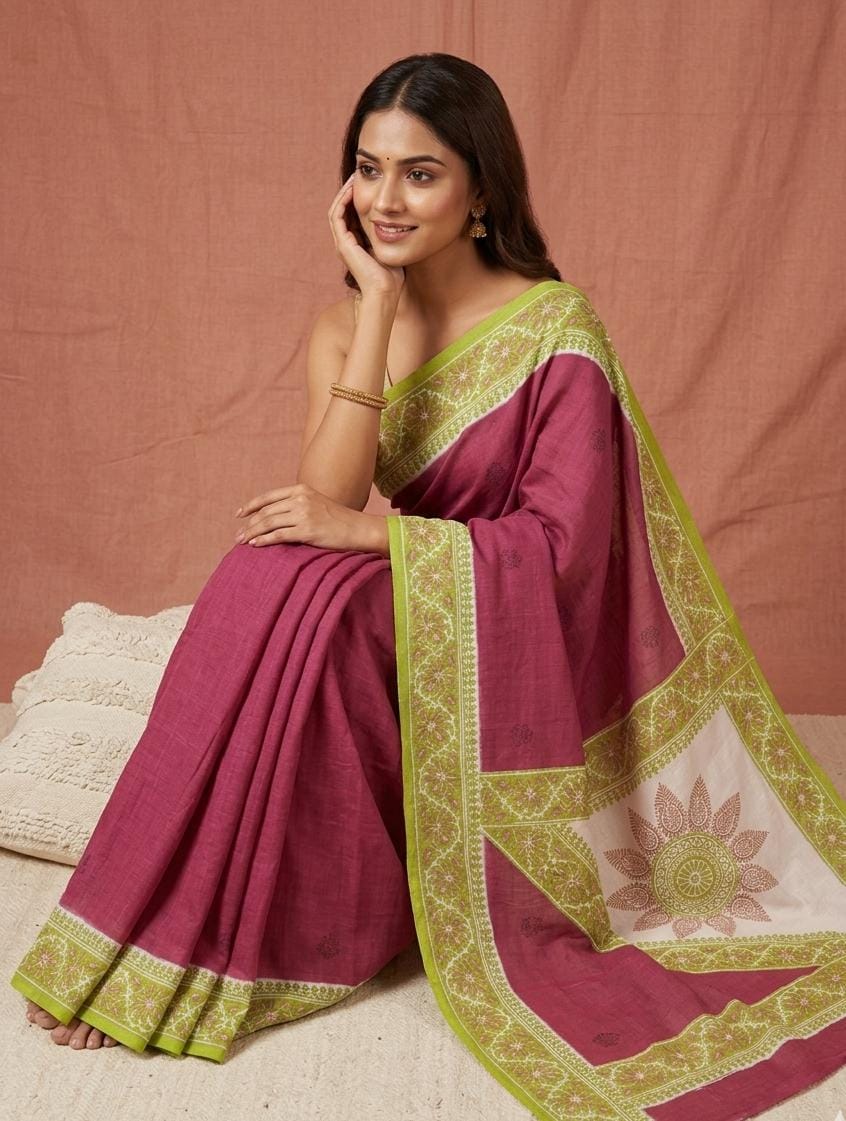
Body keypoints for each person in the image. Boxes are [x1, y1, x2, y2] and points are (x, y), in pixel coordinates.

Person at [12, 51, 845, 1120]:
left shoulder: (555, 327)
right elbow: (328, 493)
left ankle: (247, 934)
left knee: (326, 595)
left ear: (481, 190)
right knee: (267, 571)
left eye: (420, 173)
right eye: (368, 169)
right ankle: (148, 920)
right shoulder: (343, 325)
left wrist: (372, 538)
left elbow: (565, 550)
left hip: (522, 641)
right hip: (422, 597)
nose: (386, 199)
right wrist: (375, 307)